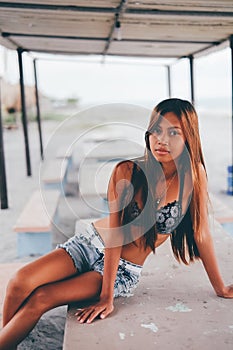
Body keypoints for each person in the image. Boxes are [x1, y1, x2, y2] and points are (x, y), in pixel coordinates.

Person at [0, 98, 233, 349]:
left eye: (173, 132)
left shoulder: (193, 174)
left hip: (123, 268)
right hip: (89, 244)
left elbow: (201, 233)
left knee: (41, 298)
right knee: (19, 282)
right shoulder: (128, 171)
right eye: (156, 130)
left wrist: (220, 287)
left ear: (189, 137)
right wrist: (106, 296)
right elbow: (114, 235)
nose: (161, 140)